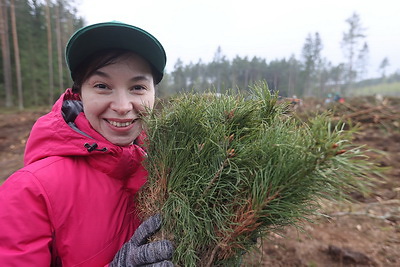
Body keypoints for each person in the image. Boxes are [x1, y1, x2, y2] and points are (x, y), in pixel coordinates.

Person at [0, 22, 173, 266]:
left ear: (153, 94)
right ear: (79, 93)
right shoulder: (30, 190)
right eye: (102, 86)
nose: (123, 106)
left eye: (138, 87)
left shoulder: (166, 172)